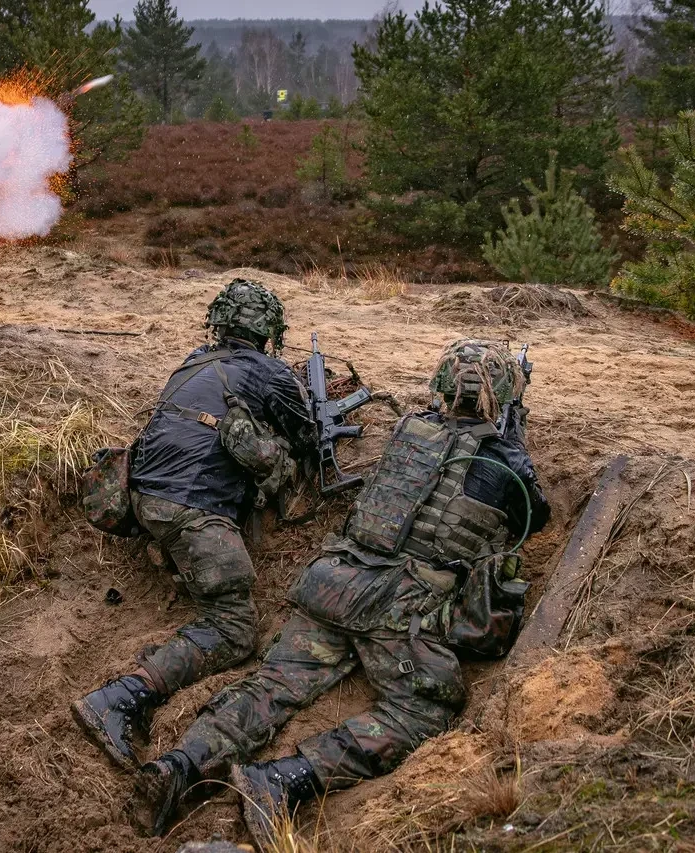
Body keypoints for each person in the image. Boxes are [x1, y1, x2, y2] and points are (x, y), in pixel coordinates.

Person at [127, 339, 551, 844]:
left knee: (271, 686)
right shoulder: (507, 460)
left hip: (332, 581)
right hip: (397, 606)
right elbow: (534, 516)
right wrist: (511, 437)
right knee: (421, 712)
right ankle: (284, 780)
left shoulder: (408, 428)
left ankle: (180, 764)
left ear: (441, 385)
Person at [72, 279, 315, 771]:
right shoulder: (269, 371)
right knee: (235, 628)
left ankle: (173, 557)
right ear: (269, 332)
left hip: (139, 498)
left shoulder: (193, 360)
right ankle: (118, 699)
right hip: (191, 511)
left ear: (219, 323)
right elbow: (304, 434)